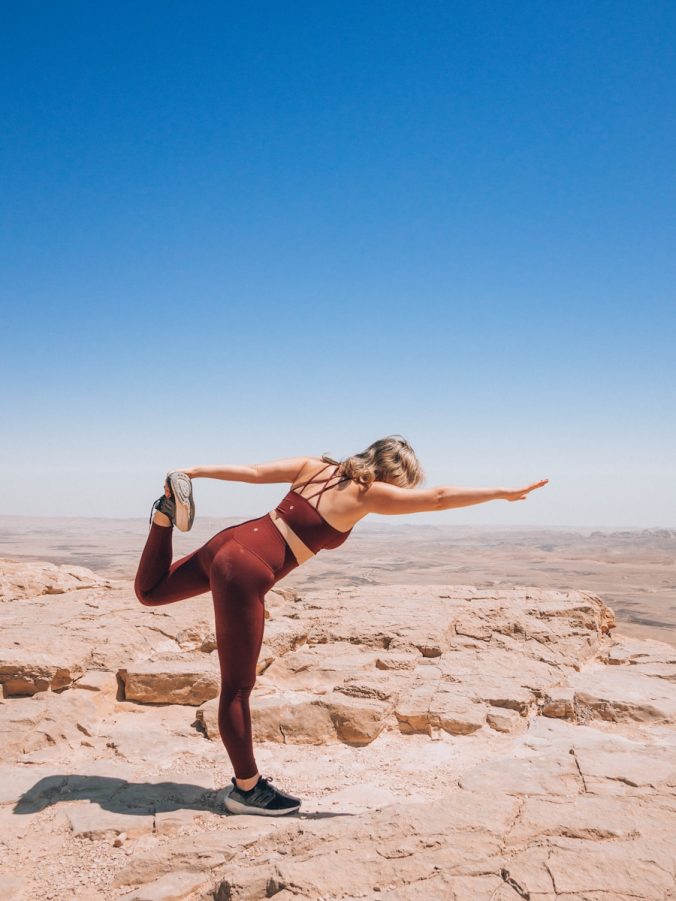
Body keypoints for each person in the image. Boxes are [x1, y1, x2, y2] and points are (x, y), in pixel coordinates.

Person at [134, 435, 548, 816]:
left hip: (231, 541)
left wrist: (194, 472)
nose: (401, 494)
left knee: (151, 591)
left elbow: (254, 473)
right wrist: (502, 493)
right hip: (246, 570)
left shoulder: (314, 466)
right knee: (237, 689)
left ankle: (164, 518)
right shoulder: (369, 494)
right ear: (395, 475)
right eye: (403, 484)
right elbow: (438, 499)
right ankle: (247, 789)